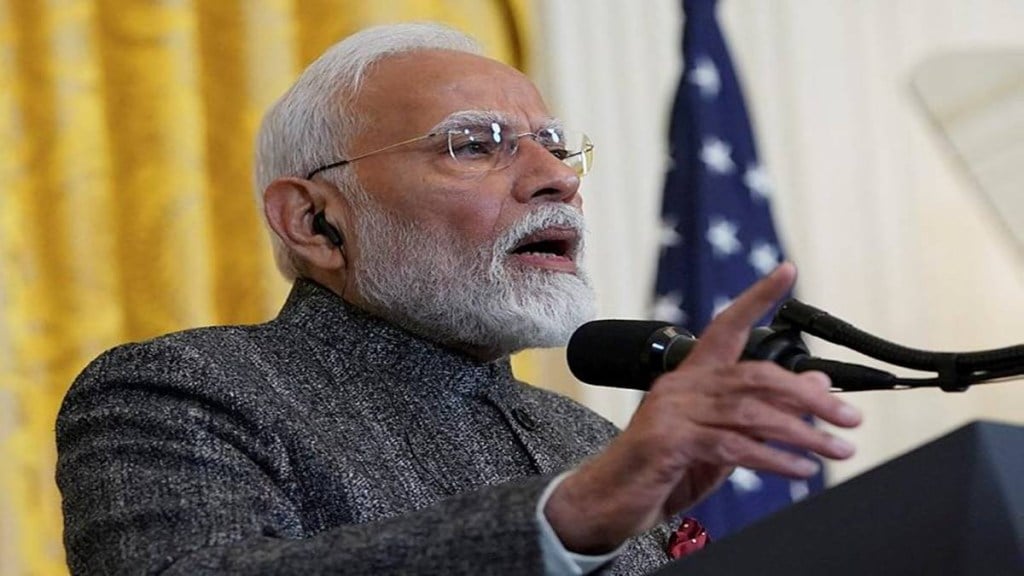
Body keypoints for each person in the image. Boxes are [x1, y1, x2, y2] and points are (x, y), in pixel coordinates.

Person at [56, 22, 861, 575]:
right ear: (314, 221)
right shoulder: (185, 391)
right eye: (474, 145)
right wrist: (569, 517)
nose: (556, 178)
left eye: (555, 146)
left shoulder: (582, 436)